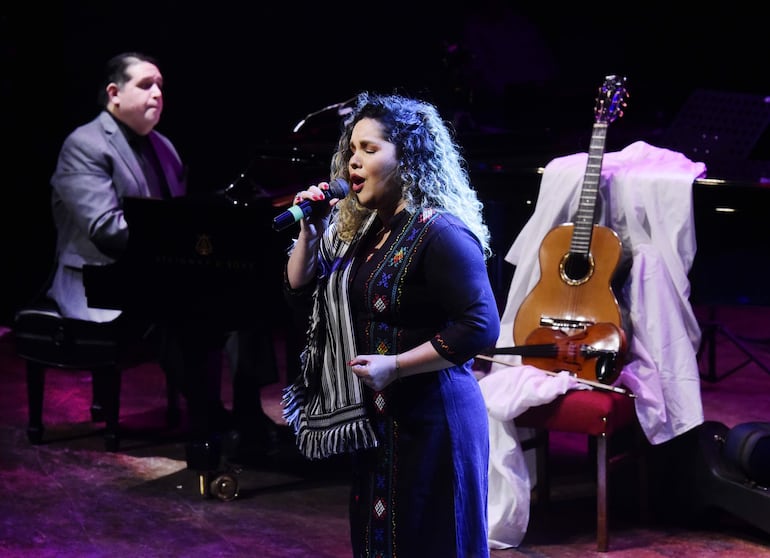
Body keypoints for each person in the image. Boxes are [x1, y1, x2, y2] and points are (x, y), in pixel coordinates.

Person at [282, 92, 500, 558]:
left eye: (370, 149)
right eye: (352, 150)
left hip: (434, 421)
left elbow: (480, 326)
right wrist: (309, 231)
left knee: (433, 542)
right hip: (382, 422)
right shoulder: (364, 231)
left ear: (408, 158)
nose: (353, 162)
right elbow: (300, 287)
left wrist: (397, 365)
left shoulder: (440, 232)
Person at [46, 51, 235, 467]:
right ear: (114, 93)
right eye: (146, 85)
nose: (157, 94)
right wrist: (175, 246)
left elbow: (180, 216)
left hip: (149, 274)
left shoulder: (163, 146)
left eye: (161, 87)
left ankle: (244, 412)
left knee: (236, 299)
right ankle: (210, 420)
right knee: (184, 314)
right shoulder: (85, 145)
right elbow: (106, 230)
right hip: (97, 280)